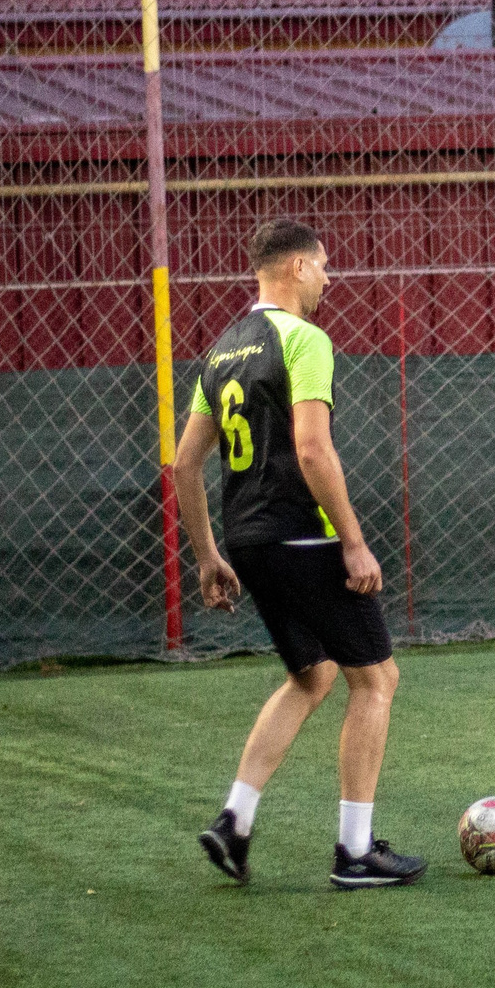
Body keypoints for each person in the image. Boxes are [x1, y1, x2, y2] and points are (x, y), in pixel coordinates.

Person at [174, 219, 426, 889]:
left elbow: (184, 463)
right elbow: (313, 450)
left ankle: (235, 820)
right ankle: (355, 851)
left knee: (312, 675)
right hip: (302, 534)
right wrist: (354, 539)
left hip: (247, 539)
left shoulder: (222, 350)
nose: (327, 277)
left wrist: (206, 556)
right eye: (321, 266)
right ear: (293, 270)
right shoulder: (305, 339)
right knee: (375, 679)